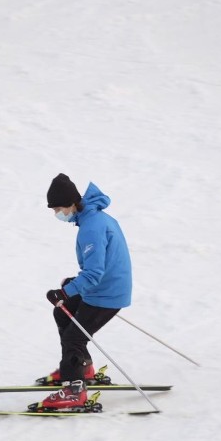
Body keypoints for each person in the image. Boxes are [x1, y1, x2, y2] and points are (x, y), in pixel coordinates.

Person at [35, 173, 133, 411]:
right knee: (63, 313)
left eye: (58, 208)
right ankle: (80, 366)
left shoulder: (92, 227)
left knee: (74, 336)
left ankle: (74, 391)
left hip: (107, 294)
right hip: (103, 287)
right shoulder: (94, 218)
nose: (56, 213)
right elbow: (99, 266)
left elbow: (94, 273)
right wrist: (70, 288)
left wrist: (65, 291)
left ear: (71, 203)